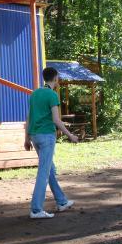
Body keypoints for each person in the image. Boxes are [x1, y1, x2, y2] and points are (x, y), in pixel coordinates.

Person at [24, 67, 78, 219]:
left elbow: (28, 118)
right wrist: (70, 135)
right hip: (47, 137)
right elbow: (56, 120)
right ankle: (36, 209)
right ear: (55, 78)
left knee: (49, 169)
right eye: (58, 77)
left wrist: (27, 138)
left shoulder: (34, 94)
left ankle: (62, 202)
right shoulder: (52, 95)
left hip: (35, 137)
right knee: (44, 172)